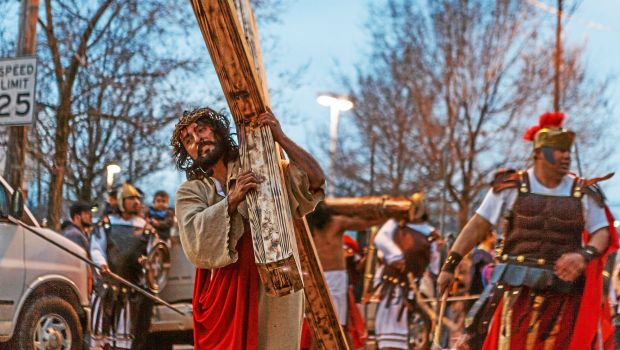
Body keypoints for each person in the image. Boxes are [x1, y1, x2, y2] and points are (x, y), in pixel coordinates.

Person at [438, 112, 619, 350]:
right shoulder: (510, 187)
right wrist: (450, 264)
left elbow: (602, 232)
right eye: (558, 149)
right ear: (538, 153)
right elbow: (478, 225)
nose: (566, 156)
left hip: (564, 298)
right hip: (515, 294)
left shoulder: (583, 192)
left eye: (567, 150)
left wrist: (583, 255)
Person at [171, 107, 325, 350]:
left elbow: (315, 180)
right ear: (187, 153)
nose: (198, 140)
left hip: (275, 281)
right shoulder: (190, 192)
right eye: (188, 140)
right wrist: (231, 201)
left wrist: (281, 138)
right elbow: (194, 241)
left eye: (201, 130)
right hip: (226, 293)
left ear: (219, 132)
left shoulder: (263, 168)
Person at [301, 202, 382, 349]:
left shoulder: (336, 222)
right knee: (313, 326)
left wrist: (384, 214)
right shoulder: (302, 225)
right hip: (312, 277)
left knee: (338, 326)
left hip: (336, 279)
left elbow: (362, 224)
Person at [90, 183, 156, 350]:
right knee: (101, 339)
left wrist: (147, 263)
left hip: (131, 290)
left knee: (124, 341)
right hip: (107, 288)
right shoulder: (106, 224)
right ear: (121, 201)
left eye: (137, 199)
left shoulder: (146, 229)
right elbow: (96, 248)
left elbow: (156, 256)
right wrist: (102, 264)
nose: (136, 202)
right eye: (131, 198)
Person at [373, 193, 442, 350]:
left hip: (413, 292)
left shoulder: (430, 233)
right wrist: (395, 256)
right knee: (387, 339)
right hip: (391, 289)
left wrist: (437, 251)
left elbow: (433, 267)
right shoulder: (394, 225)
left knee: (410, 340)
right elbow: (380, 239)